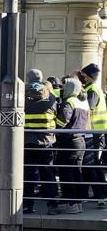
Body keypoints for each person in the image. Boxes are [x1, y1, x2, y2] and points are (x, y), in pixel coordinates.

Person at [23, 69, 59, 215]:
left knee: (28, 175)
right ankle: (52, 205)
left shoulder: (21, 94)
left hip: (27, 141)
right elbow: (58, 115)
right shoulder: (50, 96)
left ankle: (27, 206)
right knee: (48, 173)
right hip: (46, 140)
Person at [56, 78, 89, 214]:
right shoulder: (83, 102)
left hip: (69, 142)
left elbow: (61, 121)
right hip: (80, 140)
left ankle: (71, 203)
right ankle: (78, 202)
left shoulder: (69, 102)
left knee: (66, 173)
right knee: (76, 172)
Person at [78, 63, 107, 207]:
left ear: (89, 77)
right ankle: (101, 193)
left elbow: (87, 110)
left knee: (91, 164)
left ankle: (101, 194)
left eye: (83, 75)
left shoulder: (91, 90)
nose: (81, 78)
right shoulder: (94, 88)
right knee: (94, 164)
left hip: (93, 132)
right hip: (96, 131)